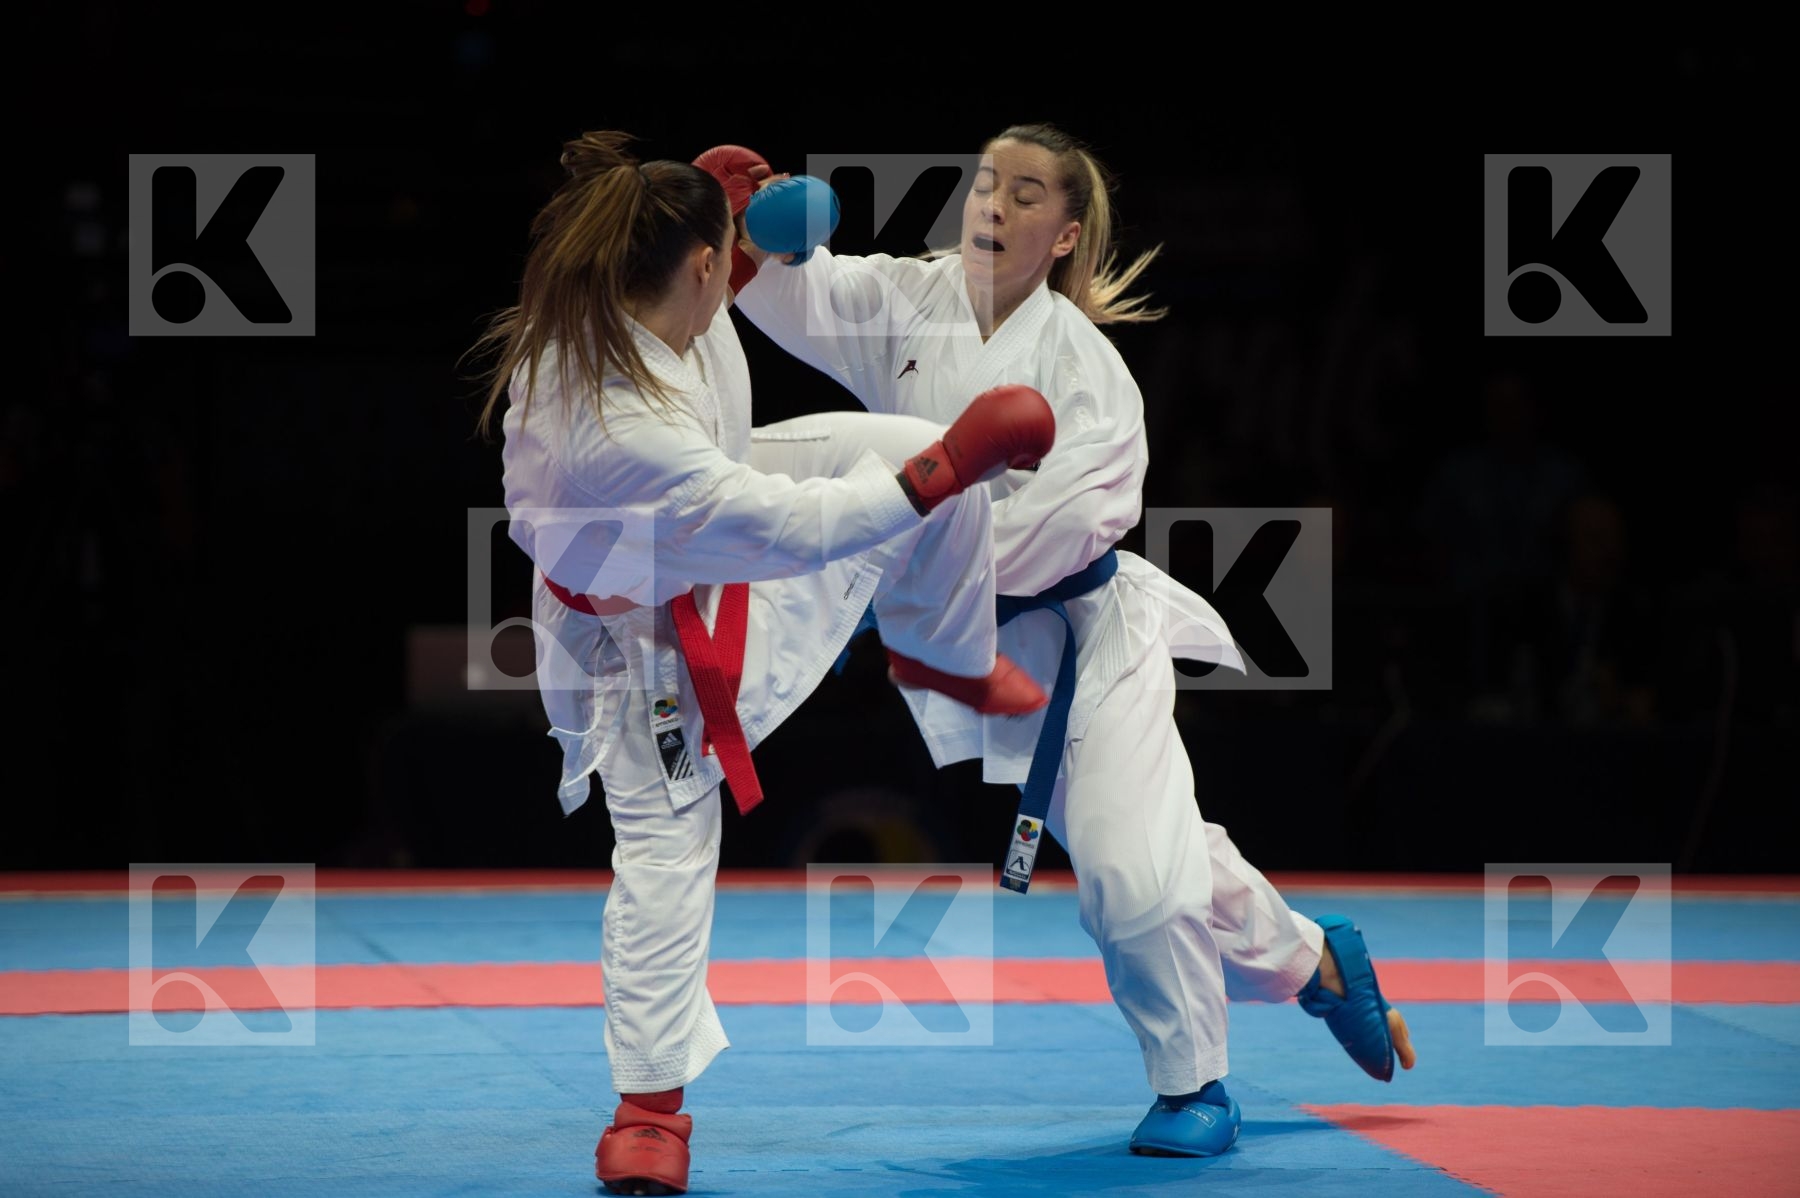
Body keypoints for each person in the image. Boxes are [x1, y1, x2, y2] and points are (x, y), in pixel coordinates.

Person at [726, 124, 1418, 1157]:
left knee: (1132, 876)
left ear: (1065, 235)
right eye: (983, 184)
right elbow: (782, 296)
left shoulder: (1091, 376)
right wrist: (748, 226)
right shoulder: (908, 298)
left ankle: (1197, 1088)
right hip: (983, 656)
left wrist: (888, 546)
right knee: (1153, 846)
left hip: (1091, 640)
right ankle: (1320, 959)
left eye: (1025, 193)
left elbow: (1042, 537)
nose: (992, 206)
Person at [475, 131, 1056, 1195]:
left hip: (690, 526)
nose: (735, 274)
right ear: (694, 269)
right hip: (633, 630)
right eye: (727, 261)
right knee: (665, 837)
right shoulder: (619, 430)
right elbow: (790, 529)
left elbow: (726, 389)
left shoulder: (622, 297)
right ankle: (648, 1107)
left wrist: (735, 247)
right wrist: (951, 465)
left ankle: (935, 653)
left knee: (895, 446)